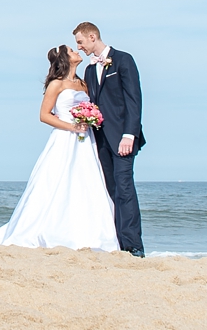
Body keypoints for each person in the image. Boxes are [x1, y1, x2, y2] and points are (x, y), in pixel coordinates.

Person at [0, 44, 119, 251]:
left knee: (86, 181)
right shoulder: (57, 84)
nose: (77, 52)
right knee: (57, 180)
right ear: (65, 58)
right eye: (73, 51)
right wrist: (73, 127)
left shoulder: (84, 83)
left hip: (85, 139)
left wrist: (90, 119)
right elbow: (44, 115)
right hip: (65, 138)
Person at [74, 21, 146, 257]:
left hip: (123, 138)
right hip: (101, 140)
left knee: (125, 188)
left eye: (80, 42)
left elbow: (134, 100)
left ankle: (134, 246)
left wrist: (129, 134)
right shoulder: (88, 70)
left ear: (92, 36)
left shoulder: (123, 60)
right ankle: (117, 242)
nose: (80, 47)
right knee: (111, 190)